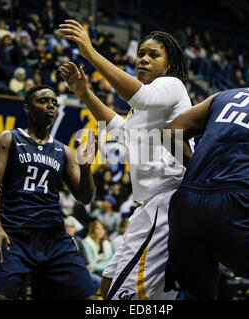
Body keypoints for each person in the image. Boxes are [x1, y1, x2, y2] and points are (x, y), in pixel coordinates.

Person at [59, 20, 192, 300]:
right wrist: (84, 93)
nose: (143, 58)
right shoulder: (143, 110)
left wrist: (91, 53)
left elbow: (141, 97)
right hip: (148, 209)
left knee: (124, 297)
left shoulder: (171, 85)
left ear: (169, 65)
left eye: (153, 55)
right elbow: (118, 128)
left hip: (167, 204)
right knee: (107, 287)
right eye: (141, 53)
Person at [163, 58, 249, 300]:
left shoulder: (225, 95)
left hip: (185, 206)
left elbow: (170, 132)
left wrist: (197, 168)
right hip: (234, 209)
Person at [0, 84, 98, 300]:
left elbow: (84, 197)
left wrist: (85, 166)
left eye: (54, 102)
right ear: (27, 108)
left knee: (91, 299)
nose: (51, 105)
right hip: (14, 235)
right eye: (44, 101)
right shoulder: (8, 139)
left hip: (53, 239)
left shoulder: (63, 151)